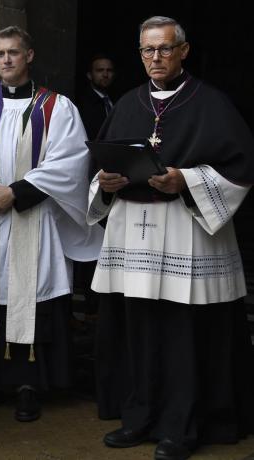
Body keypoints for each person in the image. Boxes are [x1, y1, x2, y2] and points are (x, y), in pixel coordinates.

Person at [90, 16, 254, 460]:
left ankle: (181, 427)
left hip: (187, 232)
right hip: (134, 233)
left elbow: (240, 169)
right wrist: (103, 183)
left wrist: (187, 181)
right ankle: (139, 417)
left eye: (164, 49)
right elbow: (101, 164)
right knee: (139, 330)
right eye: (147, 50)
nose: (155, 58)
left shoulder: (213, 104)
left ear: (183, 50)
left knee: (183, 335)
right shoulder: (127, 103)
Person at [0, 26, 102, 422]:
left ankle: (31, 386)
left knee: (33, 303)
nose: (7, 60)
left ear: (29, 56)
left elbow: (69, 162)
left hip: (33, 217)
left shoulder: (57, 107)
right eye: (0, 54)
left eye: (14, 52)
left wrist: (17, 192)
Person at [77, 54, 116, 140]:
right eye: (100, 70)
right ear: (89, 75)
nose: (105, 74)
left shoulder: (117, 100)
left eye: (109, 70)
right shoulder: (83, 104)